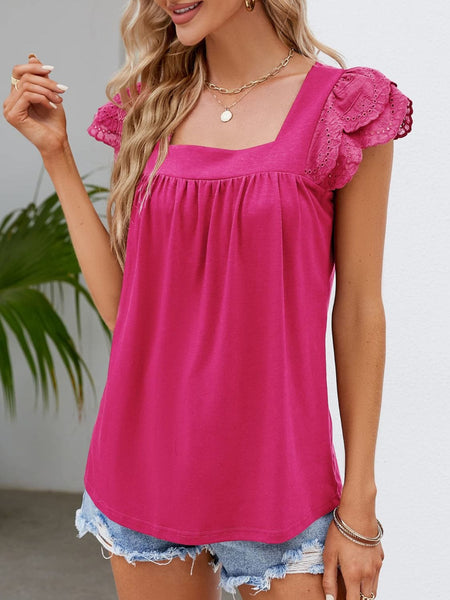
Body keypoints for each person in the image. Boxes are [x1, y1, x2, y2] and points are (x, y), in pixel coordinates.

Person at [4, 0, 413, 598]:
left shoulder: (345, 109)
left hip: (281, 486)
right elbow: (127, 313)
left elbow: (357, 310)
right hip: (147, 470)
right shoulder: (149, 108)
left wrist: (360, 502)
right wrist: (56, 155)